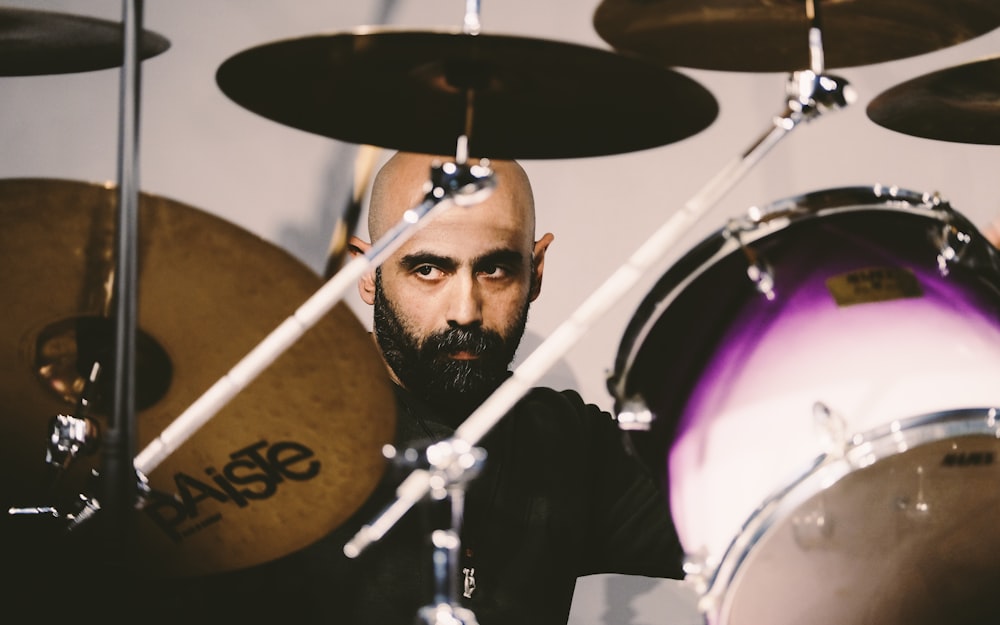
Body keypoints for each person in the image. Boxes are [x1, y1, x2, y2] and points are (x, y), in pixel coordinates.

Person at [7, 152, 684, 624]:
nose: (465, 310)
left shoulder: (569, 443)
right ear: (367, 272)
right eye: (427, 268)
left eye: (497, 270)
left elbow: (748, 517)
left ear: (536, 270)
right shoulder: (259, 426)